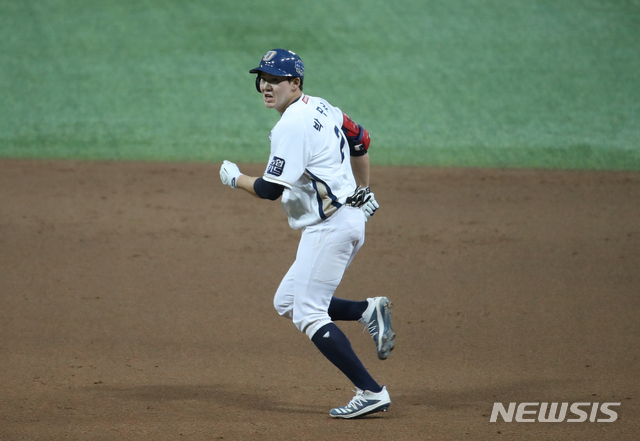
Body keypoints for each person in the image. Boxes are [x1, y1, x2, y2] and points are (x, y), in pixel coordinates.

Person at [219, 49, 395, 419]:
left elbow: (270, 189)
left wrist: (235, 178)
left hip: (329, 228)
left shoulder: (291, 125)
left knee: (309, 312)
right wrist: (364, 188)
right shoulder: (324, 107)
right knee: (287, 301)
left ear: (295, 83)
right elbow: (361, 140)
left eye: (275, 79)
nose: (266, 86)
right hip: (344, 219)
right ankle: (367, 310)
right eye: (262, 79)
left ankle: (371, 391)